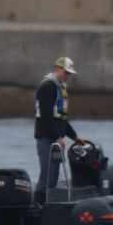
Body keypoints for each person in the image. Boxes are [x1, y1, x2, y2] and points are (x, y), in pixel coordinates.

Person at [34, 56, 85, 201]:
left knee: (54, 176)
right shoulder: (47, 87)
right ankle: (37, 207)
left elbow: (61, 119)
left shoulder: (60, 89)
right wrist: (58, 137)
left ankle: (48, 205)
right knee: (47, 174)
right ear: (57, 69)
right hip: (46, 137)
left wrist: (74, 136)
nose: (68, 76)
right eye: (66, 72)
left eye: (70, 73)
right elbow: (46, 117)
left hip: (55, 138)